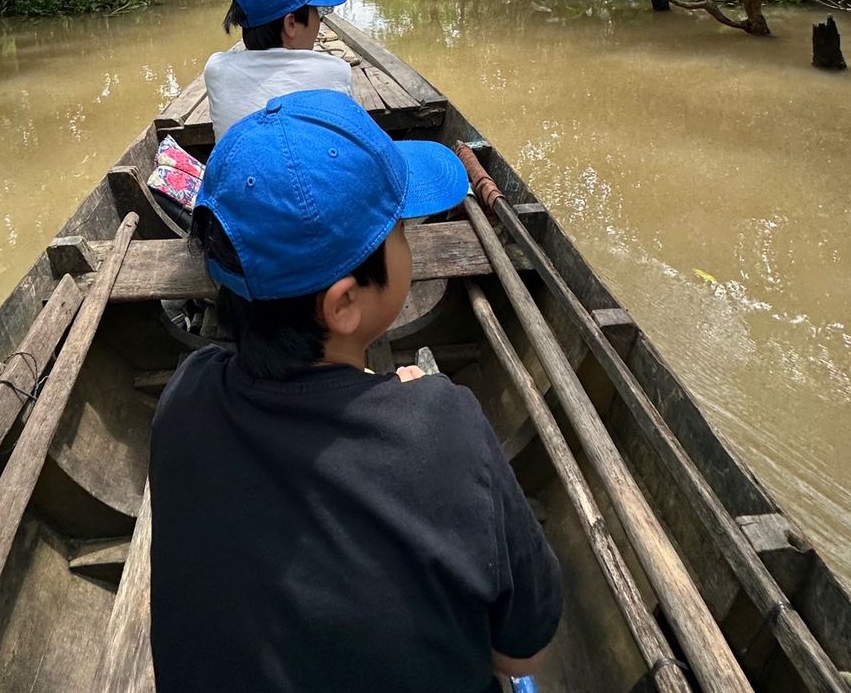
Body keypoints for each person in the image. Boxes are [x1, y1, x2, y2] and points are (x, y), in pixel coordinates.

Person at [149, 89, 563, 693]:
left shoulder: (185, 394)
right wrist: (421, 413)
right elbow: (522, 656)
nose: (408, 242)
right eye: (400, 232)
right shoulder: (448, 427)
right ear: (343, 304)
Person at [204, 0, 354, 139]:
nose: (318, 18)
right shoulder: (337, 71)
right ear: (291, 24)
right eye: (316, 11)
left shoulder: (215, 69)